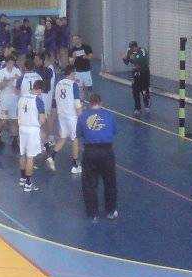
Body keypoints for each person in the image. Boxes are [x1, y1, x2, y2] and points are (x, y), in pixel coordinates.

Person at [77, 93, 118, 221]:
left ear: (90, 103)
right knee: (110, 182)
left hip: (90, 151)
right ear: (101, 103)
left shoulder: (83, 116)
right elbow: (114, 132)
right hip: (106, 151)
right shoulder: (109, 115)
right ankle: (110, 211)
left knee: (89, 183)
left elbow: (79, 134)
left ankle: (92, 213)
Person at [51, 64, 83, 174]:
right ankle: (75, 165)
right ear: (72, 73)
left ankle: (51, 156)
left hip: (62, 114)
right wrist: (81, 116)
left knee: (63, 137)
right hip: (71, 116)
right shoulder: (74, 85)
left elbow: (55, 99)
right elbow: (77, 103)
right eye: (74, 73)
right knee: (75, 139)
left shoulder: (59, 83)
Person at [16, 80, 47, 192]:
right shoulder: (38, 101)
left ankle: (22, 178)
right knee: (30, 157)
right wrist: (38, 125)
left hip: (22, 128)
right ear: (39, 90)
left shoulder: (22, 98)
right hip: (32, 130)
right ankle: (28, 184)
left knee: (22, 154)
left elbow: (18, 113)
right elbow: (42, 119)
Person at [0, 52, 21, 150]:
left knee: (14, 121)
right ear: (6, 63)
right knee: (3, 120)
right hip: (4, 100)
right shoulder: (1, 72)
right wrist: (9, 80)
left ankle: (14, 140)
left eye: (13, 63)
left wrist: (14, 83)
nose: (11, 64)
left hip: (14, 100)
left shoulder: (17, 71)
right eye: (9, 63)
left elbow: (19, 86)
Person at [122, 40, 150, 114]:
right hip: (135, 73)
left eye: (132, 48)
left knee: (144, 90)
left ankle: (146, 105)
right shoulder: (130, 51)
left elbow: (142, 60)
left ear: (135, 47)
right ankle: (137, 108)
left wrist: (132, 59)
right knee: (135, 90)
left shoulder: (142, 50)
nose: (131, 49)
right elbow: (126, 62)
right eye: (130, 48)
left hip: (144, 73)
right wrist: (124, 58)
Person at [70, 34, 93, 101]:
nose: (75, 41)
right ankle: (81, 101)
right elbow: (71, 63)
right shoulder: (72, 50)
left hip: (86, 71)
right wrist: (74, 57)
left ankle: (92, 101)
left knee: (89, 87)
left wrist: (86, 57)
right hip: (77, 72)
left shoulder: (87, 47)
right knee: (79, 88)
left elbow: (91, 57)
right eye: (73, 39)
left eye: (76, 39)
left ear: (80, 39)